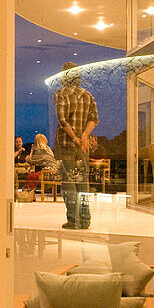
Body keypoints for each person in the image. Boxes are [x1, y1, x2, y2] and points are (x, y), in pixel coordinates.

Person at [54, 62, 98, 229]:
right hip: (83, 147)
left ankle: (73, 220)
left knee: (68, 183)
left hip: (66, 145)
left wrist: (74, 138)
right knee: (82, 182)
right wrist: (84, 137)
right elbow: (94, 118)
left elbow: (62, 119)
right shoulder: (87, 95)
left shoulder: (61, 94)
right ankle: (85, 219)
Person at [20, 133, 59, 200]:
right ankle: (30, 195)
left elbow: (31, 160)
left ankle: (28, 195)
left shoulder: (40, 150)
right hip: (53, 172)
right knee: (33, 176)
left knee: (30, 177)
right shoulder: (48, 149)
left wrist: (31, 151)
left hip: (47, 172)